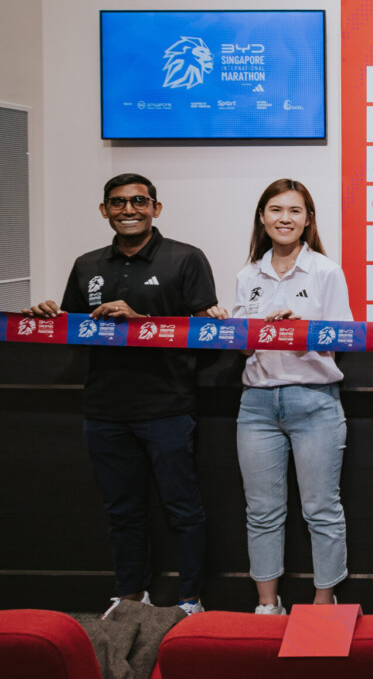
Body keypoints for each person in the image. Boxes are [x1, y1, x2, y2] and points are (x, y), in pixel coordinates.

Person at [22, 173, 217, 617]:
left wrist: (141, 319)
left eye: (139, 201)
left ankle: (190, 598)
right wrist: (48, 316)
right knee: (122, 510)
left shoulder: (185, 259)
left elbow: (206, 335)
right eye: (118, 202)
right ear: (104, 210)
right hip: (105, 409)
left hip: (167, 405)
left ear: (156, 208)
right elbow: (74, 331)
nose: (129, 210)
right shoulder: (87, 264)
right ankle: (130, 594)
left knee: (183, 508)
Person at [206, 179, 351, 613]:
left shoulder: (325, 270)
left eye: (294, 211)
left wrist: (299, 328)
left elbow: (342, 336)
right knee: (262, 511)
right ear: (262, 218)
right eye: (275, 210)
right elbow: (247, 346)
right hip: (257, 405)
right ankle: (268, 604)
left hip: (315, 401)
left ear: (308, 220)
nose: (284, 219)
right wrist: (228, 326)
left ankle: (324, 600)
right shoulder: (247, 274)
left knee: (321, 509)